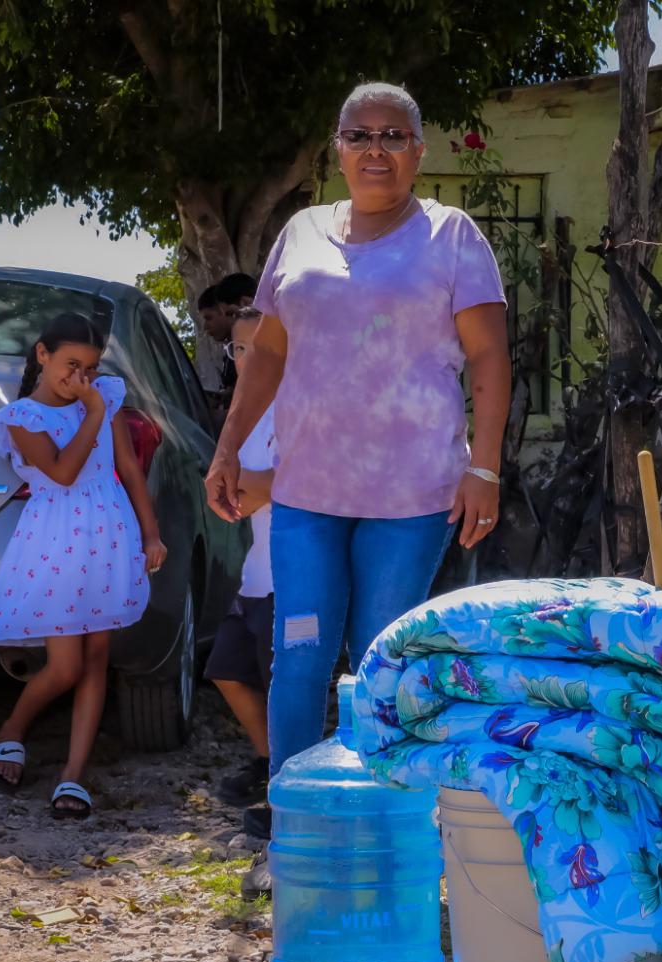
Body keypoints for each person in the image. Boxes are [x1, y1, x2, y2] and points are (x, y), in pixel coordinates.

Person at [204, 82, 511, 897]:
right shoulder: (300, 233)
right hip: (306, 491)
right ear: (336, 148)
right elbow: (267, 352)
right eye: (359, 134)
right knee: (298, 658)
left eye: (394, 134)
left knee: (381, 662)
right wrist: (230, 446)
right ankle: (294, 843)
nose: (375, 148)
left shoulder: (452, 237)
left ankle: (390, 842)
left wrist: (484, 465)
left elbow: (488, 358)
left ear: (418, 150)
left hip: (411, 498)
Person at [0, 312, 168, 819]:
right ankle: (12, 730)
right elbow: (64, 474)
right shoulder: (23, 417)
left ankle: (73, 775)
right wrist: (91, 412)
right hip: (57, 538)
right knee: (64, 666)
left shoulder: (103, 397)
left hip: (110, 534)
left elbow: (128, 469)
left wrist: (150, 533)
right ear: (41, 355)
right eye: (69, 364)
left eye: (88, 368)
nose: (79, 379)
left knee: (95, 659)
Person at [202, 306, 277, 839]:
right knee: (225, 669)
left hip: (289, 572)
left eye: (254, 346)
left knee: (283, 683)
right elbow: (230, 491)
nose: (245, 357)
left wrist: (242, 486)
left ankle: (285, 794)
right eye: (237, 348)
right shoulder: (243, 415)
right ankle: (272, 763)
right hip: (256, 570)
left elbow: (263, 488)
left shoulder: (293, 404)